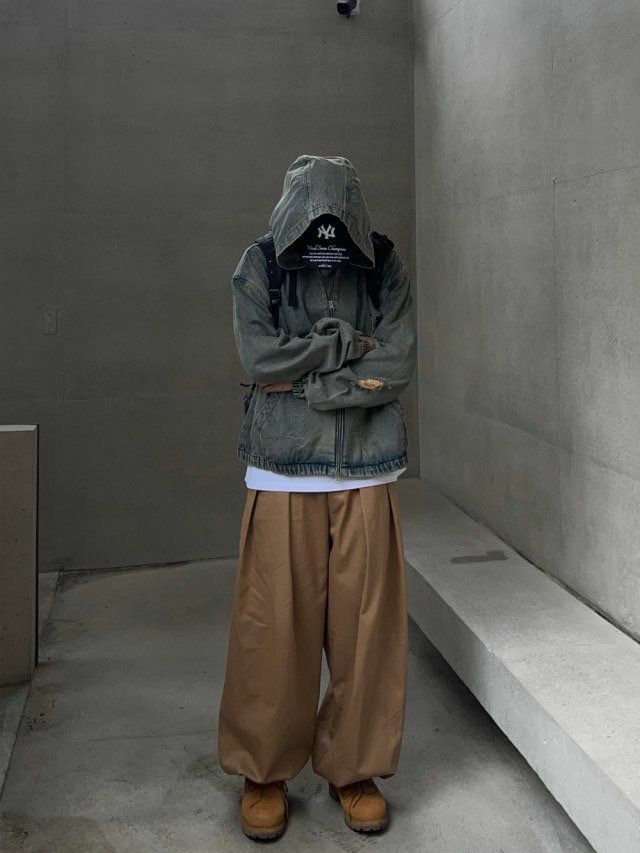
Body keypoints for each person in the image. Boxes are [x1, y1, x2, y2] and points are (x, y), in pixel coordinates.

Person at [217, 154, 417, 841]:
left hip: (368, 466)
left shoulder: (383, 263)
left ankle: (354, 768)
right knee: (273, 626)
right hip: (281, 468)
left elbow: (397, 361)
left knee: (368, 630)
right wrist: (348, 346)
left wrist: (307, 381)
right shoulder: (262, 264)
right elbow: (257, 359)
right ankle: (263, 770)